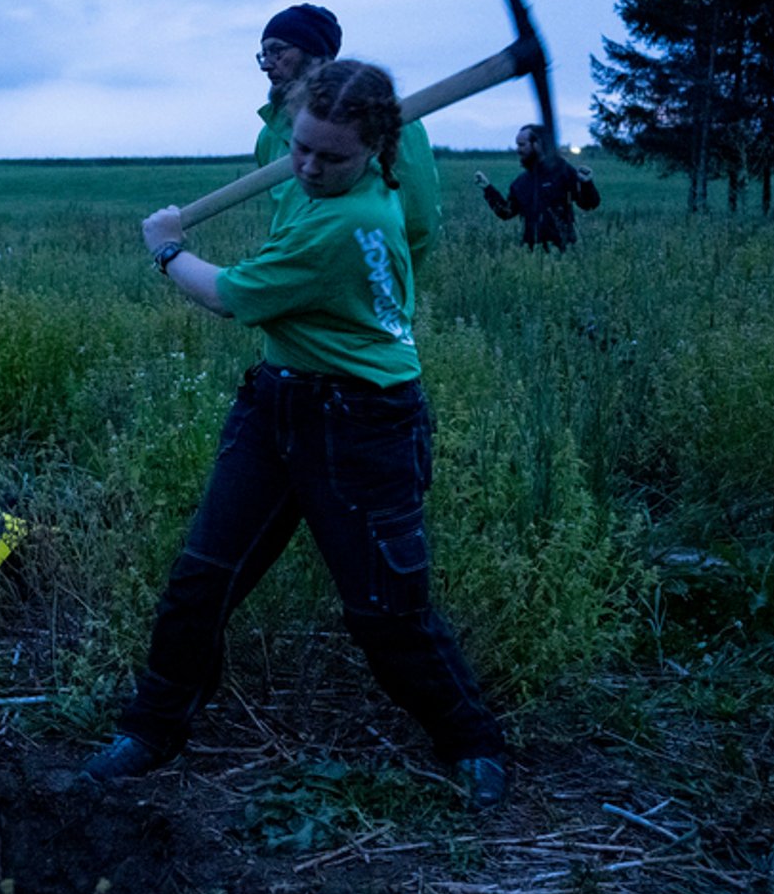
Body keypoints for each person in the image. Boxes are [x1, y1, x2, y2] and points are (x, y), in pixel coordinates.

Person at [85, 60, 509, 809]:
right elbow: (293, 155)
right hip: (276, 405)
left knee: (386, 612)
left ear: (377, 151)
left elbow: (225, 296)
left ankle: (472, 739)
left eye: (331, 156)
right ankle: (150, 730)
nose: (310, 167)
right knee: (201, 581)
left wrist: (167, 247)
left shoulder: (353, 222)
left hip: (364, 425)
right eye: (302, 148)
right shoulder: (334, 181)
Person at [251, 5, 442, 269]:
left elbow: (421, 220)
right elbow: (282, 224)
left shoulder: (386, 119)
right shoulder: (270, 136)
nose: (266, 65)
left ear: (316, 55)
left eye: (277, 51)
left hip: (362, 289)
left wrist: (385, 285)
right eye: (263, 53)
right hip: (292, 288)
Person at [475, 124, 600, 250]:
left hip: (564, 253)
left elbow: (589, 204)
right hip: (532, 254)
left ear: (537, 144)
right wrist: (487, 189)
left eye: (522, 145)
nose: (518, 150)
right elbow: (506, 212)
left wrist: (586, 184)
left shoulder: (563, 171)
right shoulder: (520, 182)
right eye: (518, 145)